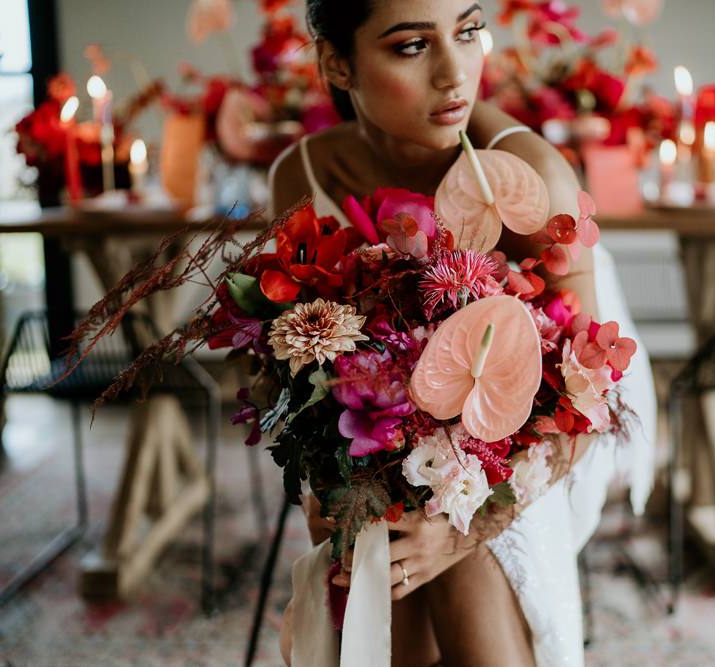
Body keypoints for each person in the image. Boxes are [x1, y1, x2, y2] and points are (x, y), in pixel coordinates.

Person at [267, 2, 657, 665]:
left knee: (452, 576)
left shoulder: (532, 176)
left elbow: (587, 405)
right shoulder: (300, 178)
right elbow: (299, 368)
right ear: (337, 62)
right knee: (384, 563)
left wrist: (465, 525)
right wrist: (325, 491)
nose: (457, 73)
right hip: (387, 439)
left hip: (540, 443)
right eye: (413, 47)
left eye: (468, 31)